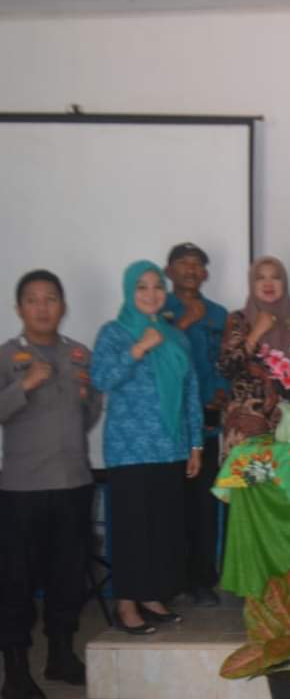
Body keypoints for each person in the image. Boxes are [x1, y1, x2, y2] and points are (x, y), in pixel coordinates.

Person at [0, 271, 102, 697]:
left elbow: (90, 410)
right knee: (16, 583)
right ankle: (15, 670)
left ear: (63, 306)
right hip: (22, 489)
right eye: (33, 299)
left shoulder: (80, 354)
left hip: (74, 483)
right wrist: (23, 385)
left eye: (51, 299)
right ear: (19, 308)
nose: (43, 307)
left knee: (69, 577)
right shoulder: (7, 356)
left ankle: (61, 655)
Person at [90, 261, 203, 635]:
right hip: (130, 450)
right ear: (129, 292)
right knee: (132, 529)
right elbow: (101, 378)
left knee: (164, 529)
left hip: (170, 448)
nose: (151, 293)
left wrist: (196, 444)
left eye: (157, 286)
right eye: (142, 287)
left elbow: (190, 393)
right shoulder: (114, 333)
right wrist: (138, 349)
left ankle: (153, 597)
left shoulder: (176, 337)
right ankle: (126, 604)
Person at [163, 242, 229, 608]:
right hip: (169, 425)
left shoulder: (220, 314)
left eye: (196, 264)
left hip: (207, 423)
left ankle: (203, 579)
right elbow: (156, 360)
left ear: (205, 273)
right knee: (169, 506)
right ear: (168, 271)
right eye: (182, 263)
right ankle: (170, 580)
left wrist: (222, 393)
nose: (190, 269)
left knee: (204, 506)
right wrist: (183, 324)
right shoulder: (157, 309)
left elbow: (226, 362)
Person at [218, 257, 290, 457]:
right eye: (260, 278)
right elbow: (226, 368)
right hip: (246, 427)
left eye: (275, 277)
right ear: (252, 284)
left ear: (284, 283)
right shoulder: (238, 320)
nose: (268, 283)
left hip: (285, 424)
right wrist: (255, 333)